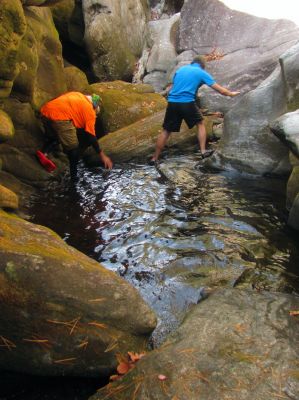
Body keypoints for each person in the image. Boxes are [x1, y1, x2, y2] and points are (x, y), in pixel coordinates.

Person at [150, 55, 240, 163]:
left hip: (172, 102)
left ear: (192, 62)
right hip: (187, 103)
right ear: (202, 65)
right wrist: (231, 93)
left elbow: (172, 89)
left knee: (166, 131)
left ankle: (154, 158)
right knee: (200, 123)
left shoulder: (180, 70)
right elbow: (221, 91)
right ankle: (203, 152)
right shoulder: (201, 72)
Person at [37, 91, 113, 179]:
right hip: (59, 118)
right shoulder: (90, 111)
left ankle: (43, 153)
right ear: (95, 108)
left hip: (45, 112)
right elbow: (91, 136)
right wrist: (103, 156)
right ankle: (73, 177)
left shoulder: (78, 95)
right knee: (73, 148)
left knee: (57, 136)